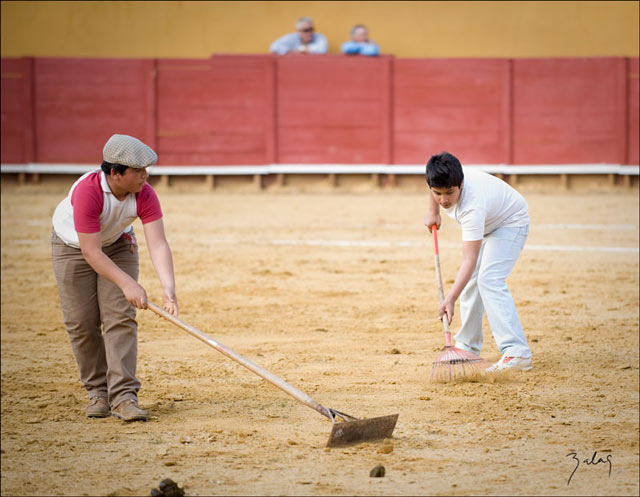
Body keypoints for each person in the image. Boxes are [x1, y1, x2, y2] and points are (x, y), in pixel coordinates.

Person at [52, 134, 179, 421]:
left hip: (119, 245)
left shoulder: (144, 192)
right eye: (137, 171)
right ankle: (98, 392)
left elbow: (158, 243)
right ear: (114, 173)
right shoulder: (88, 191)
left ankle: (123, 397)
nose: (144, 176)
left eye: (146, 170)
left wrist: (168, 288)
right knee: (81, 321)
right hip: (73, 248)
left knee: (119, 315)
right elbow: (91, 251)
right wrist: (127, 283)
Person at [423, 151, 532, 372]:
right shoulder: (441, 182)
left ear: (461, 184)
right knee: (473, 280)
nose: (444, 200)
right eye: (438, 194)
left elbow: (469, 260)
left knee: (489, 278)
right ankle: (468, 346)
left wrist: (451, 298)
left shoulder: (472, 206)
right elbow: (433, 188)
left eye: (450, 193)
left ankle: (517, 352)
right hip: (490, 221)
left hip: (510, 222)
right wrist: (433, 211)